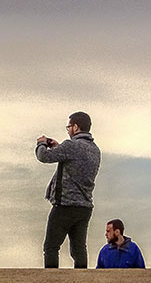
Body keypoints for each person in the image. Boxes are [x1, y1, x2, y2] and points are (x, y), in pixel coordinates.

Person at [36, 111, 101, 268]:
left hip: (65, 205)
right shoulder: (95, 150)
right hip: (84, 207)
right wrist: (59, 147)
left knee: (51, 247)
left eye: (69, 127)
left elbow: (43, 156)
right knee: (79, 250)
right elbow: (75, 163)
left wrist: (41, 143)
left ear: (76, 127)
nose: (68, 130)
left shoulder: (71, 145)